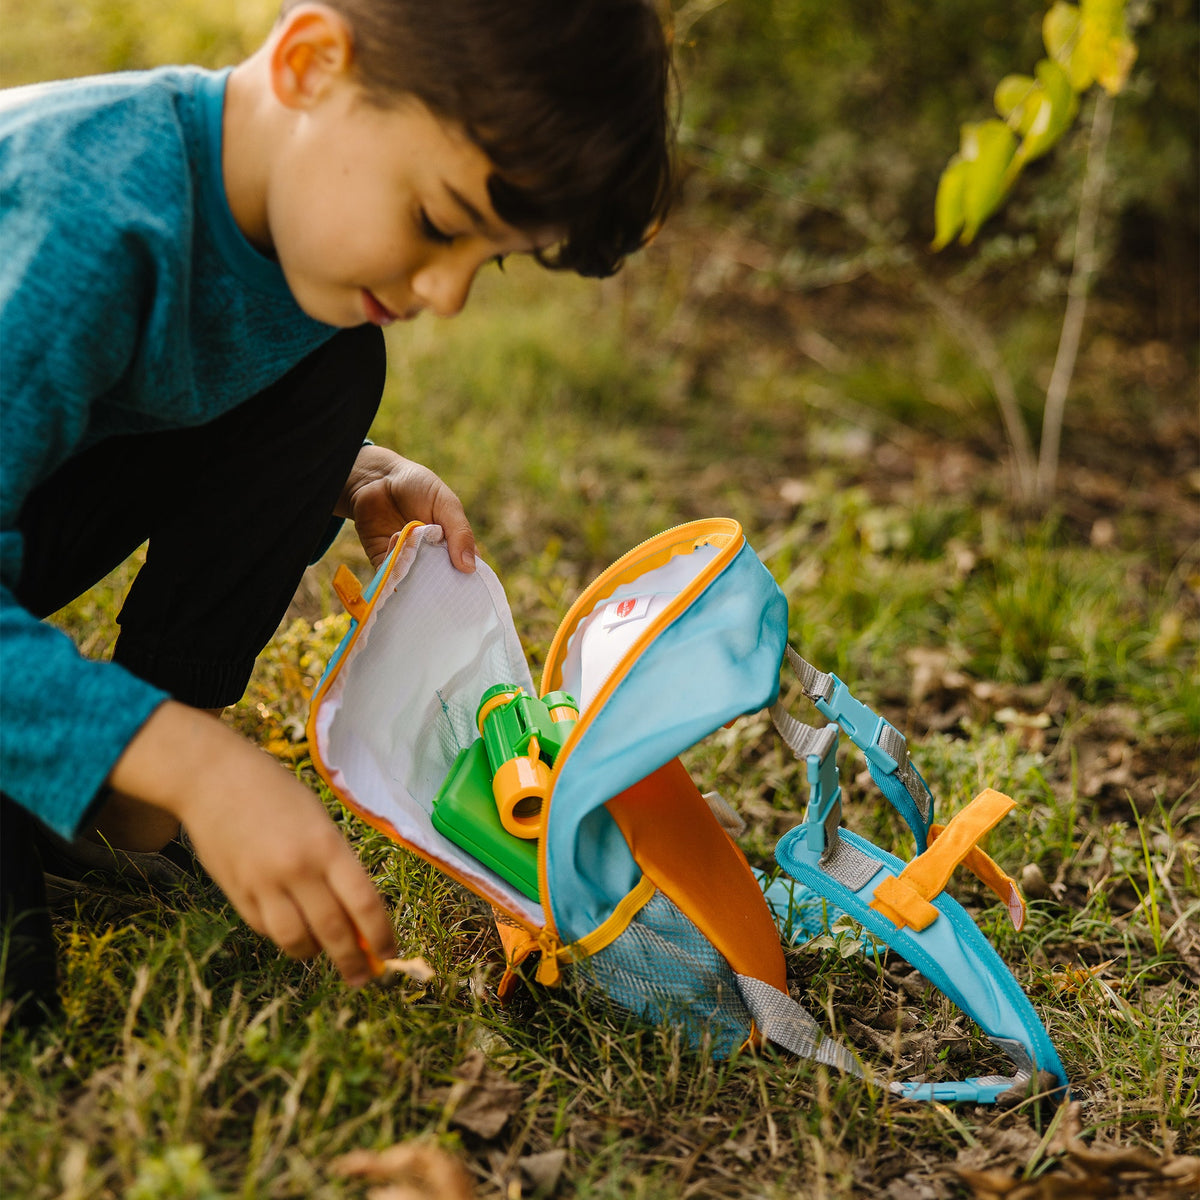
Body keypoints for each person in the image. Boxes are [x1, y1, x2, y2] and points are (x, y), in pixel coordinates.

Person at [0, 0, 672, 1027]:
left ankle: (111, 807)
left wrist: (329, 463)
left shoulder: (279, 248)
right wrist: (195, 761)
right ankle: (115, 765)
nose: (445, 294)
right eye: (441, 223)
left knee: (331, 364)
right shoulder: (83, 212)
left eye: (482, 260)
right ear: (314, 64)